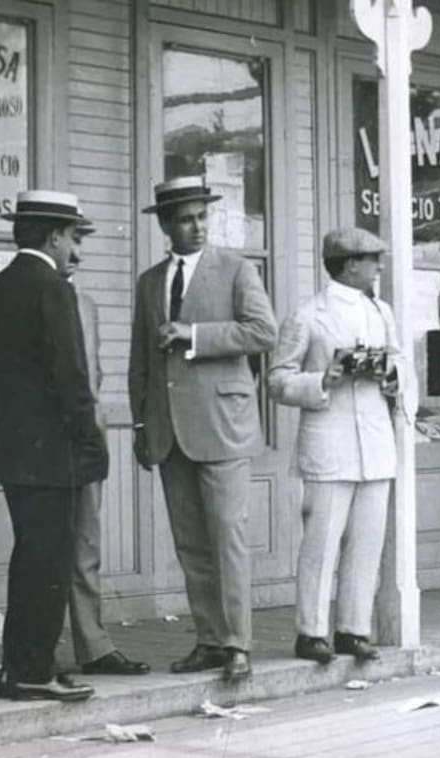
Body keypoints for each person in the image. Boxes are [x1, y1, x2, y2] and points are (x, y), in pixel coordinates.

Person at [128, 176, 278, 683]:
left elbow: (264, 332)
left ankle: (238, 644)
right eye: (186, 219)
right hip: (169, 432)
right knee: (191, 544)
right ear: (166, 225)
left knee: (228, 539)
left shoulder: (236, 270)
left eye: (202, 217)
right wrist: (141, 423)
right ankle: (209, 640)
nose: (197, 227)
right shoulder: (149, 282)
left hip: (223, 426)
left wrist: (194, 335)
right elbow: (139, 362)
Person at [0, 190, 108, 702]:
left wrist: (18, 419)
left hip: (15, 448)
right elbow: (72, 378)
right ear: (54, 236)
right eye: (75, 237)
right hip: (56, 454)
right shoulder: (54, 290)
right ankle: (34, 670)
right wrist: (90, 443)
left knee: (29, 558)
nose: (77, 250)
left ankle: (19, 669)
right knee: (49, 564)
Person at [268, 227, 413, 664]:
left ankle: (353, 627)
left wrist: (391, 376)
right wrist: (322, 380)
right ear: (350, 264)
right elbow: (277, 379)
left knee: (367, 542)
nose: (379, 267)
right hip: (329, 442)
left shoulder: (381, 311)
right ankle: (310, 631)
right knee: (322, 541)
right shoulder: (308, 315)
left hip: (374, 441)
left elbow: (401, 362)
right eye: (372, 260)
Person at [63, 226, 150, 678]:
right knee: (41, 550)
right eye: (70, 240)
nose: (78, 252)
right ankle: (33, 654)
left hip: (86, 440)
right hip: (44, 445)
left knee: (85, 544)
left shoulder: (86, 305)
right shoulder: (26, 297)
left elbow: (93, 376)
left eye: (82, 241)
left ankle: (93, 644)